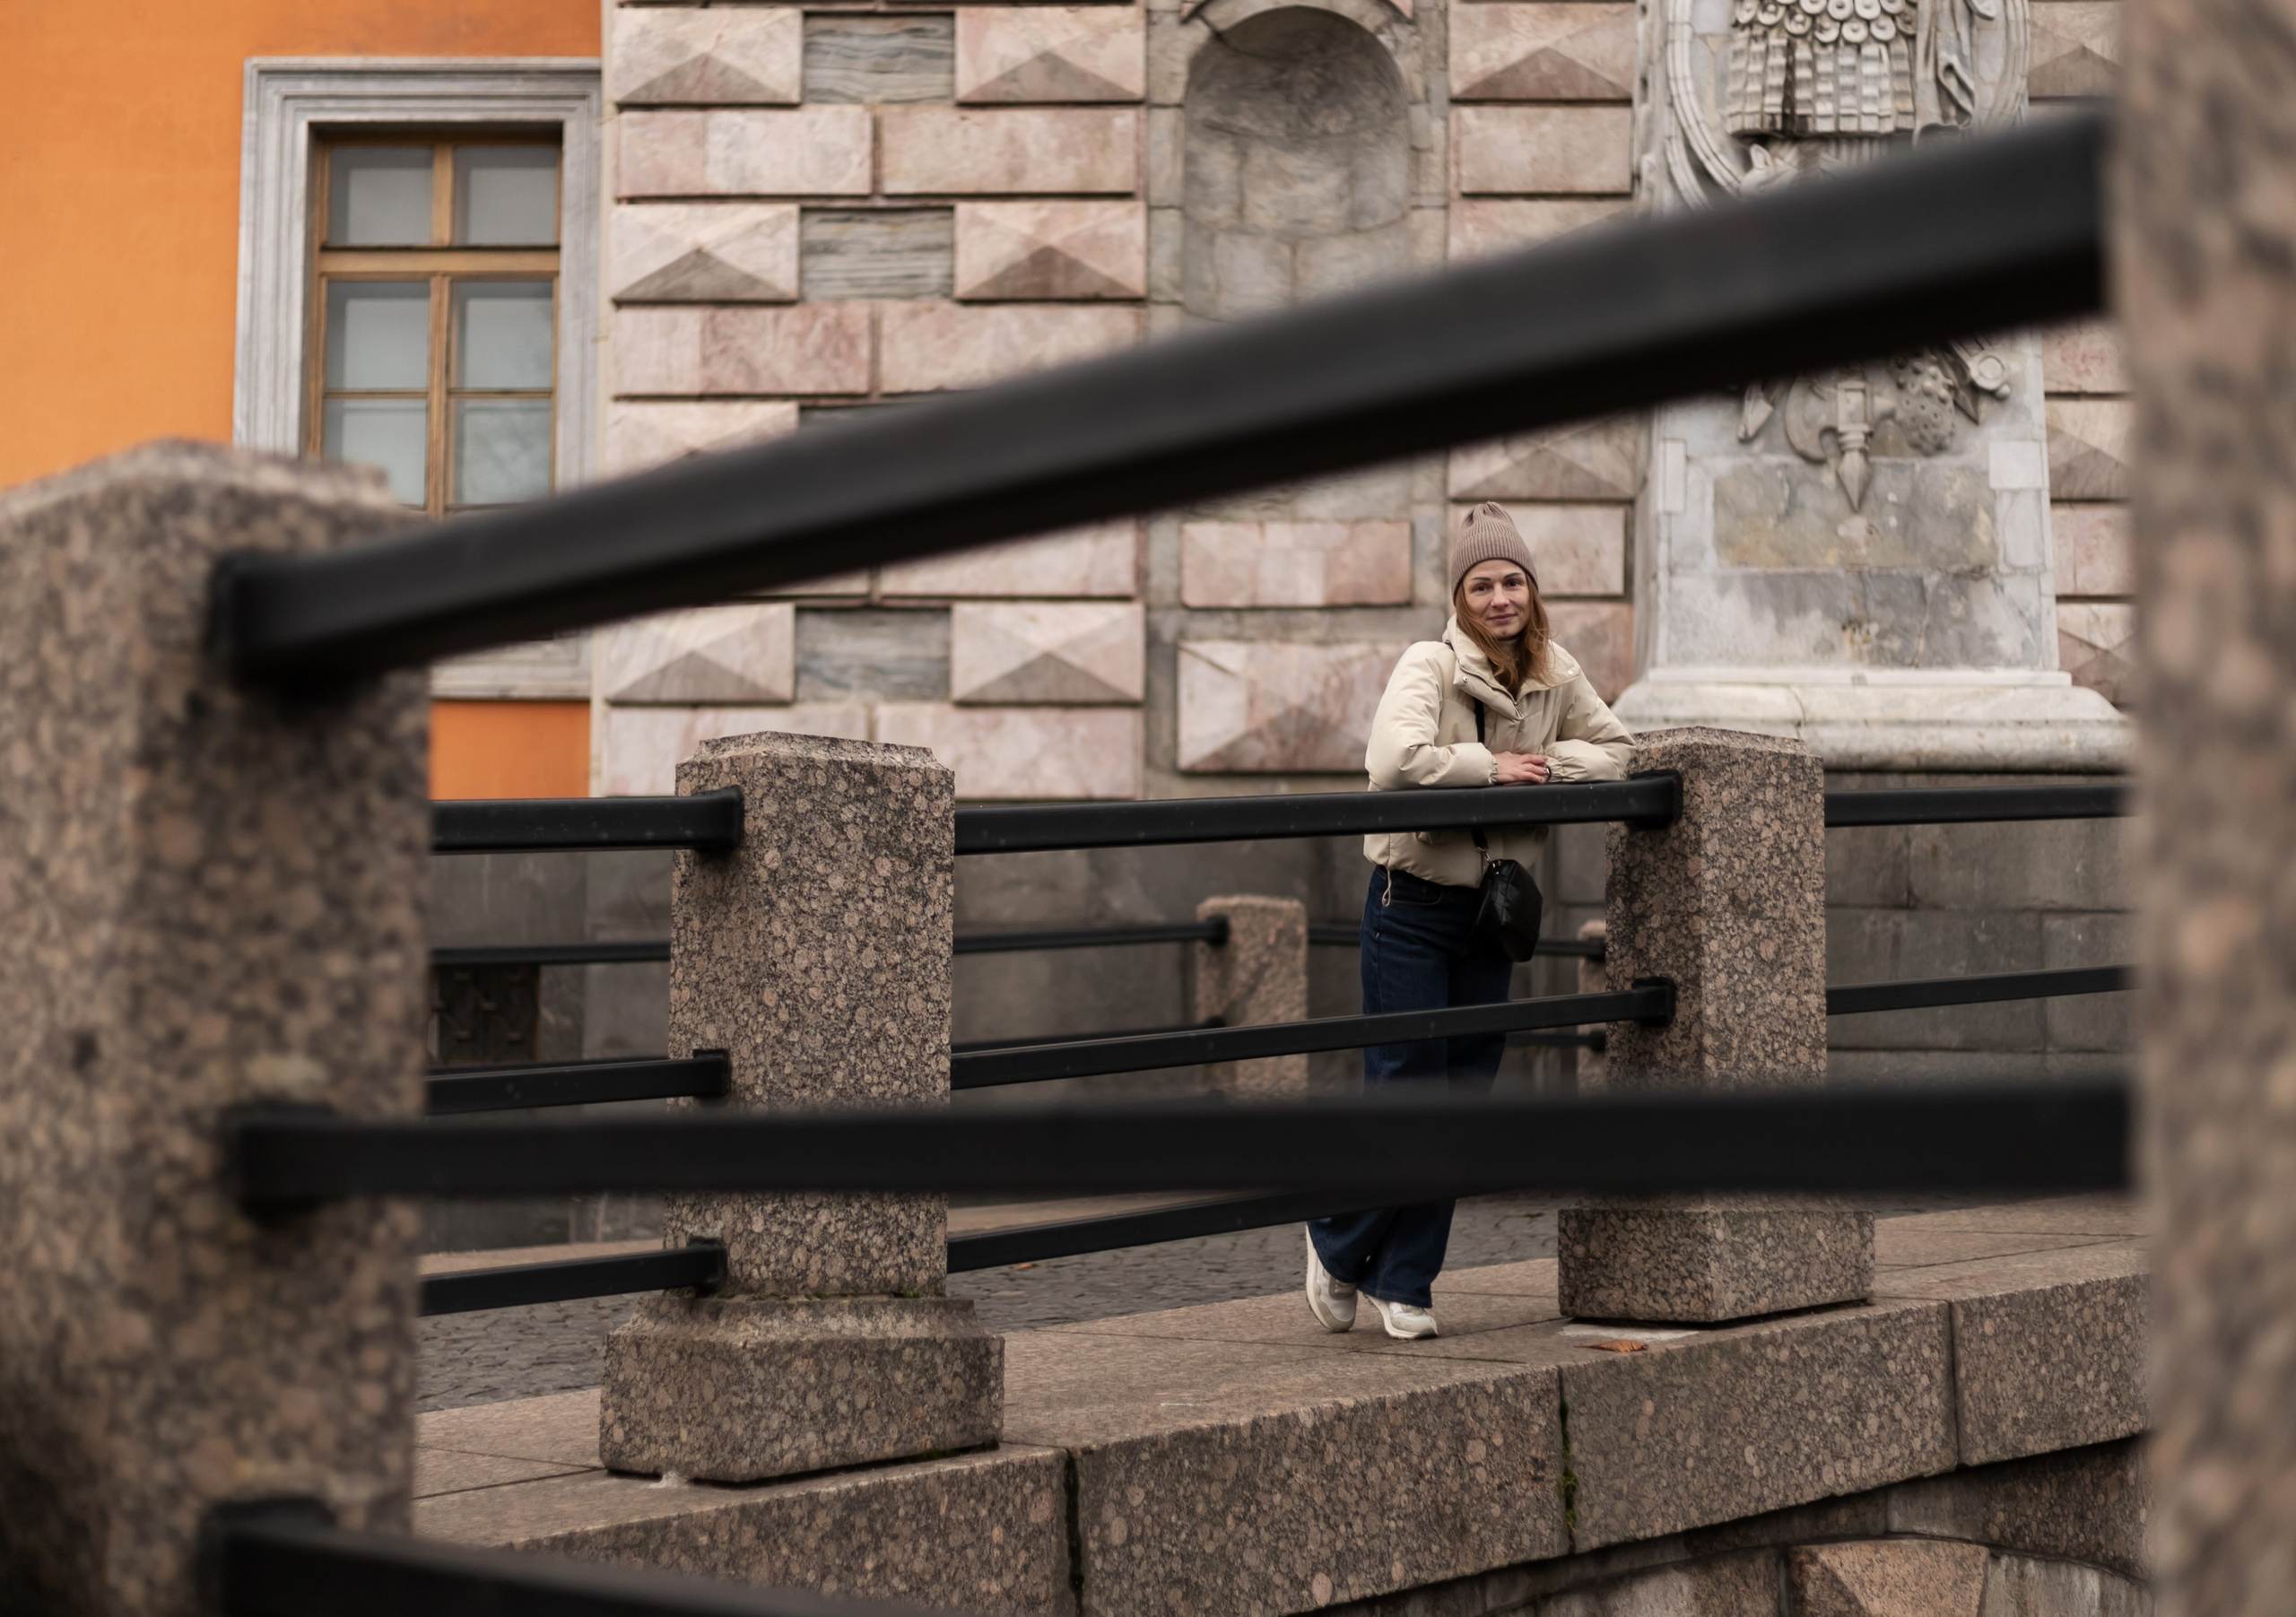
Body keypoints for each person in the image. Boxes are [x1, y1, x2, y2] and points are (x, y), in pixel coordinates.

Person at [1305, 501, 1634, 1339]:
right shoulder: (1429, 663)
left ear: (1532, 590)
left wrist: (1545, 764)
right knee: (1409, 1090)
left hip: (1492, 914)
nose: (1499, 599)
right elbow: (1393, 761)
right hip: (1411, 906)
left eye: (1512, 582)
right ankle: (1338, 1241)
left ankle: (1405, 1280)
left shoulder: (1555, 671)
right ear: (1460, 597)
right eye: (1481, 585)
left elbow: (1622, 751)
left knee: (1462, 1097)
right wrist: (1489, 767)